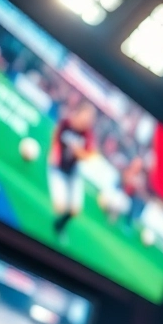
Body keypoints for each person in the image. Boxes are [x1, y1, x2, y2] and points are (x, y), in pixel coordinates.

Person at [47, 101, 97, 238]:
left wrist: (78, 152)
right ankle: (57, 225)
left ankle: (59, 227)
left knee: (74, 210)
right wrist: (52, 151)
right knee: (59, 207)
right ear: (79, 113)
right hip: (58, 168)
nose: (87, 120)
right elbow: (56, 134)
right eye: (86, 116)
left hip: (73, 172)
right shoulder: (66, 123)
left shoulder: (87, 135)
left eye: (90, 118)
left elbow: (88, 155)